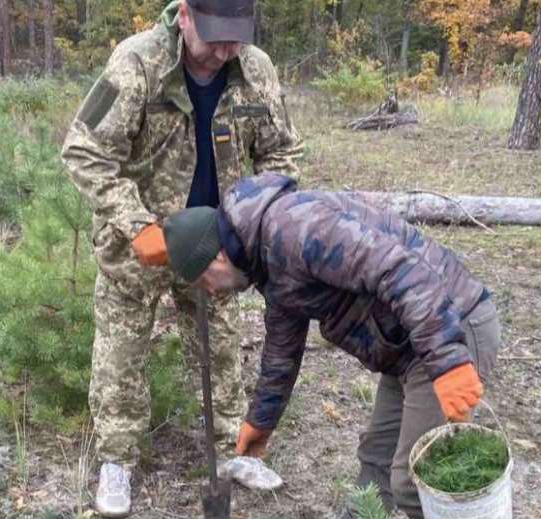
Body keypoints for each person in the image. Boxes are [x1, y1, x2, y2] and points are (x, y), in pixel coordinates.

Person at [60, 0, 301, 515]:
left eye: (236, 36)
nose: (225, 49)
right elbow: (83, 150)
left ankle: (229, 451)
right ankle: (116, 462)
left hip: (215, 241)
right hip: (138, 247)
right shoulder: (135, 64)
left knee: (218, 346)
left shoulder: (255, 69)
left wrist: (252, 224)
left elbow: (280, 153)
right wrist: (137, 224)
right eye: (215, 36)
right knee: (122, 352)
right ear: (185, 15)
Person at [159, 173, 501, 518]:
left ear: (216, 258)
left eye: (204, 282)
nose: (211, 291)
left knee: (416, 484)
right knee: (375, 461)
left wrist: (448, 361)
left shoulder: (299, 230)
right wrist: (261, 422)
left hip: (450, 326)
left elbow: (401, 272)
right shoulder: (265, 259)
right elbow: (281, 349)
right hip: (408, 347)